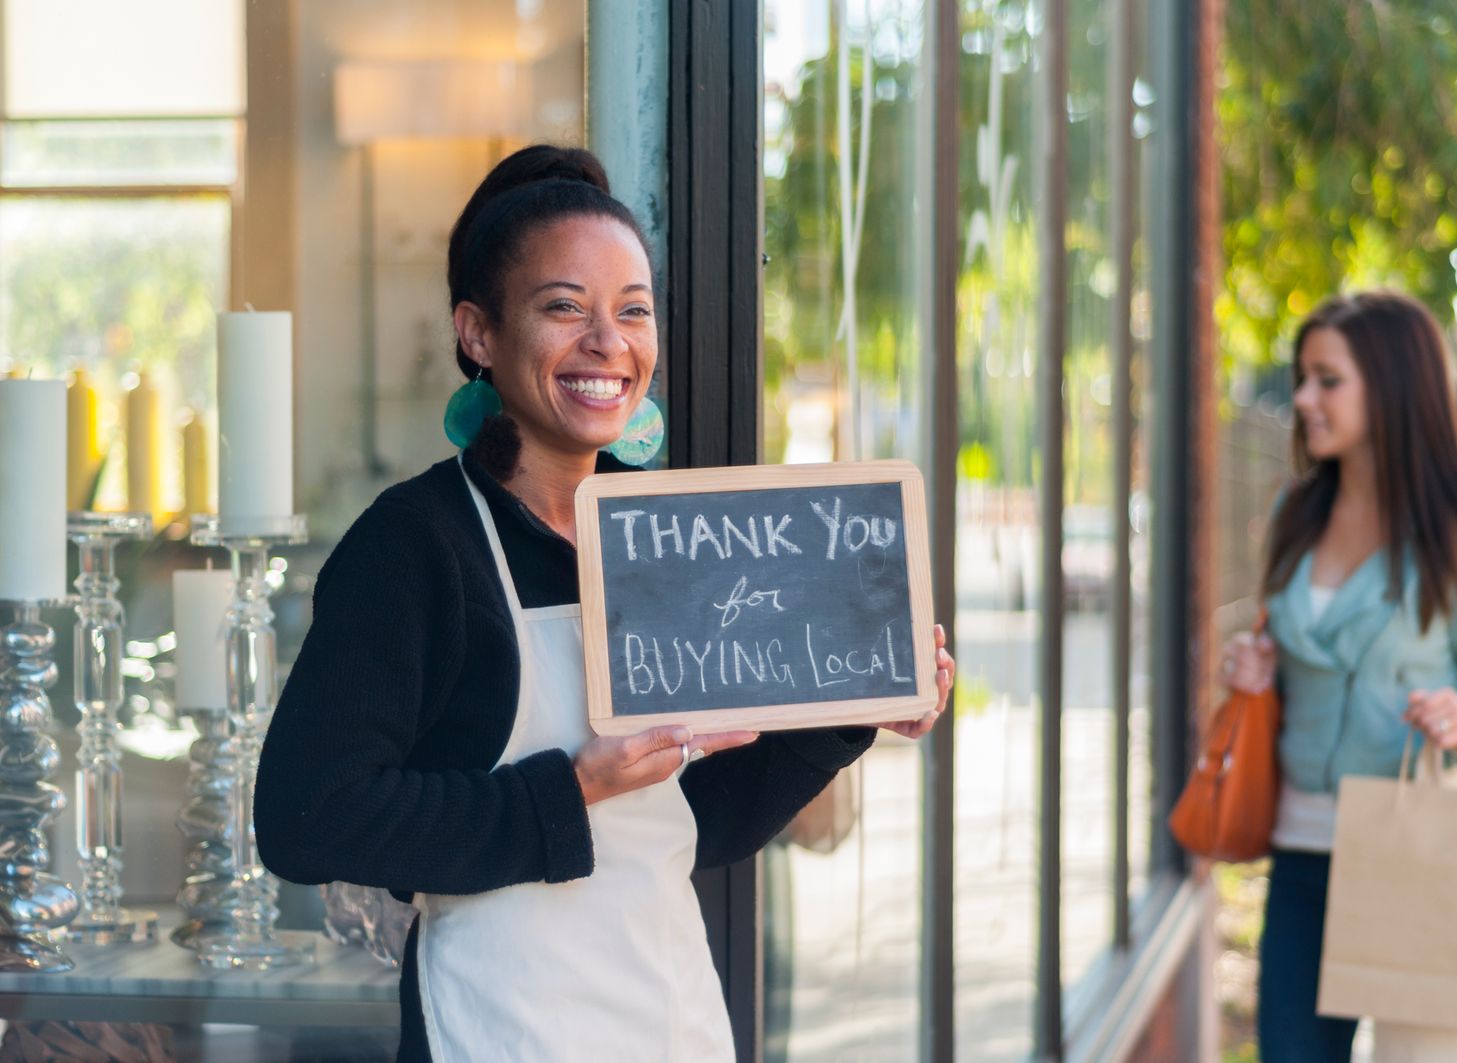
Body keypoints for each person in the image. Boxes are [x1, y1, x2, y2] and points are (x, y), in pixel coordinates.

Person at [254, 144, 955, 1063]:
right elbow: (308, 819)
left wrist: (855, 709)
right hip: (498, 1029)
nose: (607, 342)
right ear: (478, 332)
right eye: (562, 308)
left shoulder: (663, 538)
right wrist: (569, 791)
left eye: (632, 310)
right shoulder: (417, 544)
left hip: (670, 1019)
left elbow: (694, 820)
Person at [1220, 292, 1457, 1063]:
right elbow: (1282, 659)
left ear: (1390, 387)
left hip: (1416, 852)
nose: (1302, 399)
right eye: (1303, 378)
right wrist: (1251, 675)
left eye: (1328, 380)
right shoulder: (1297, 510)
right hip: (1299, 856)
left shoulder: (1454, 538)